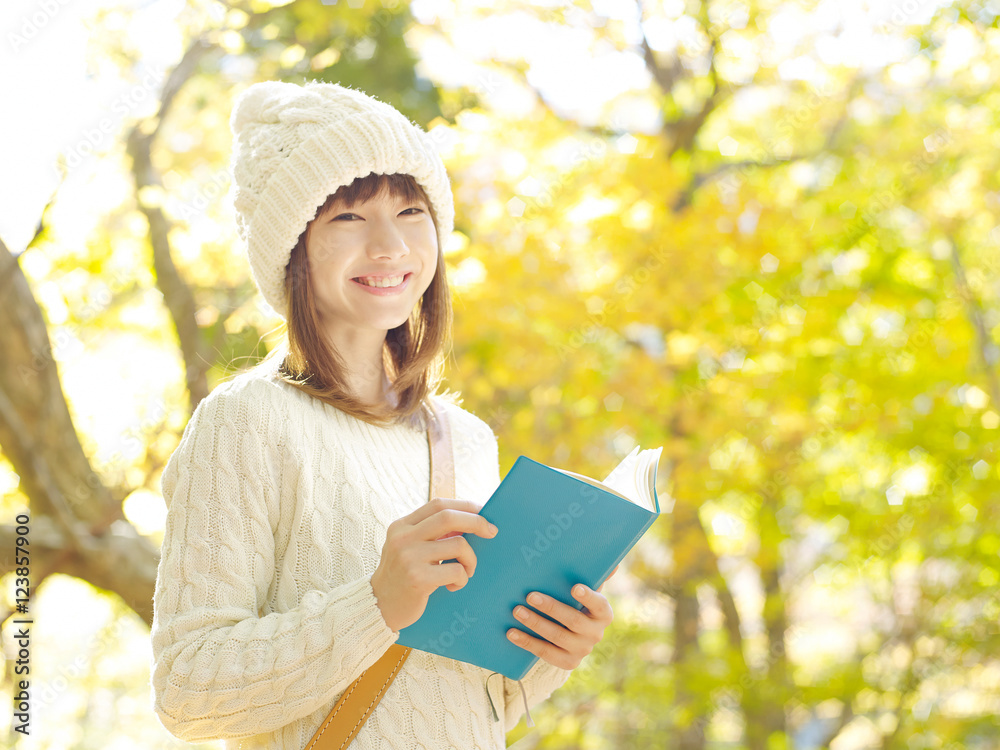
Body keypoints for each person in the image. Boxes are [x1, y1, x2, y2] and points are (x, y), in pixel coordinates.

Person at [149, 80, 616, 749]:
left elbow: (459, 707)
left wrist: (547, 652)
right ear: (293, 250)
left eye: (410, 211)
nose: (390, 247)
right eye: (348, 217)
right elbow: (189, 694)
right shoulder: (246, 422)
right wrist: (376, 604)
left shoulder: (465, 440)